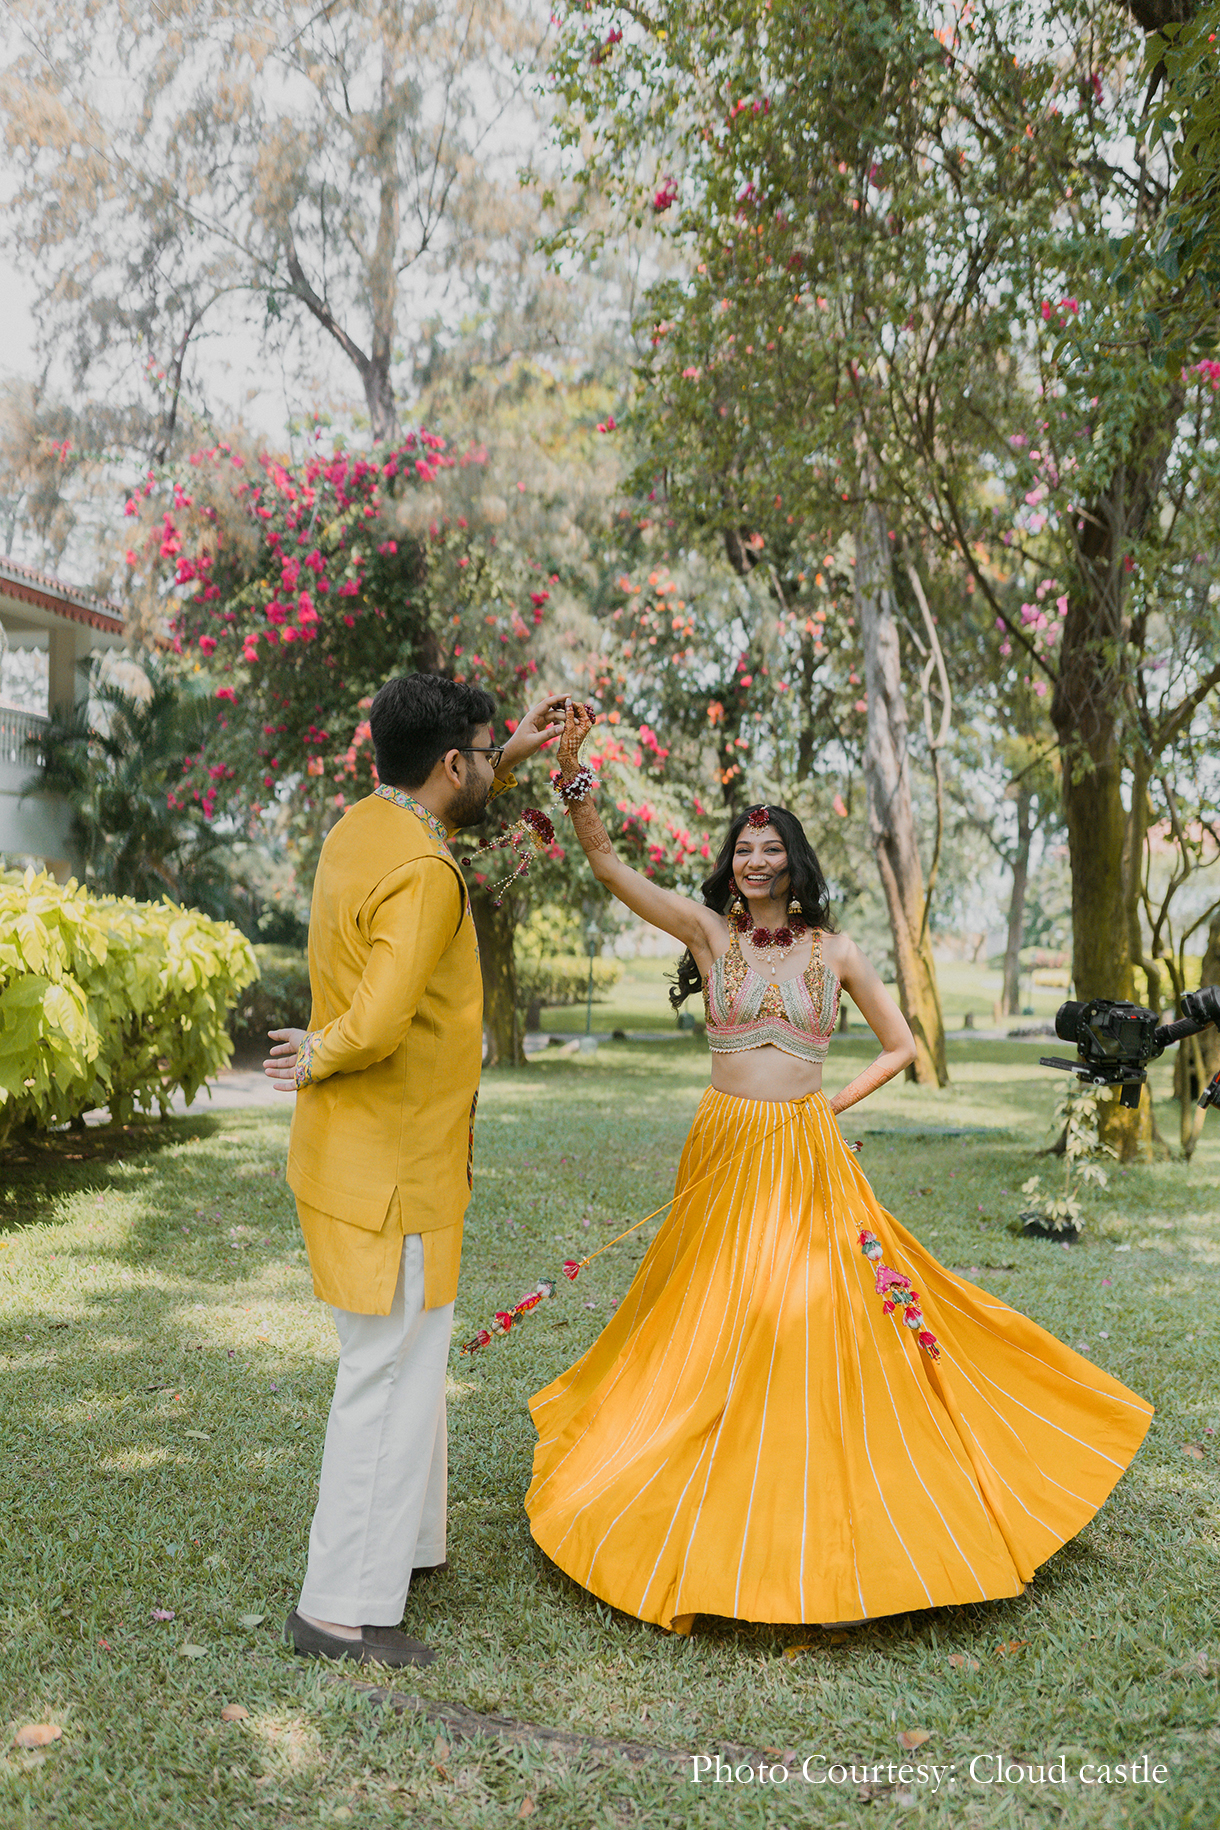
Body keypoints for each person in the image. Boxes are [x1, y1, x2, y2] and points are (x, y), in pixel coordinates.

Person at [525, 702, 1153, 1636]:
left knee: (813, 1312)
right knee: (711, 1312)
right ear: (731, 863)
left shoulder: (839, 951)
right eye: (744, 847)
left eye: (771, 848)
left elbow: (900, 1046)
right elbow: (611, 867)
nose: (756, 860)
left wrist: (828, 1107)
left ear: (796, 862)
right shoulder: (709, 934)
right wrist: (577, 781)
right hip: (726, 1147)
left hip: (805, 1150)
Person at [263, 673, 567, 1667]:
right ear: (449, 764)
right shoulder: (427, 872)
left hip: (355, 1156)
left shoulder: (363, 826)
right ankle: (339, 1613)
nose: (492, 766)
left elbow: (430, 833)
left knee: (409, 1362)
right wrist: (320, 1048)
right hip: (391, 1166)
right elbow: (384, 1017)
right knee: (386, 1374)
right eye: (484, 753)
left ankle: (407, 1549)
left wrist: (508, 752)